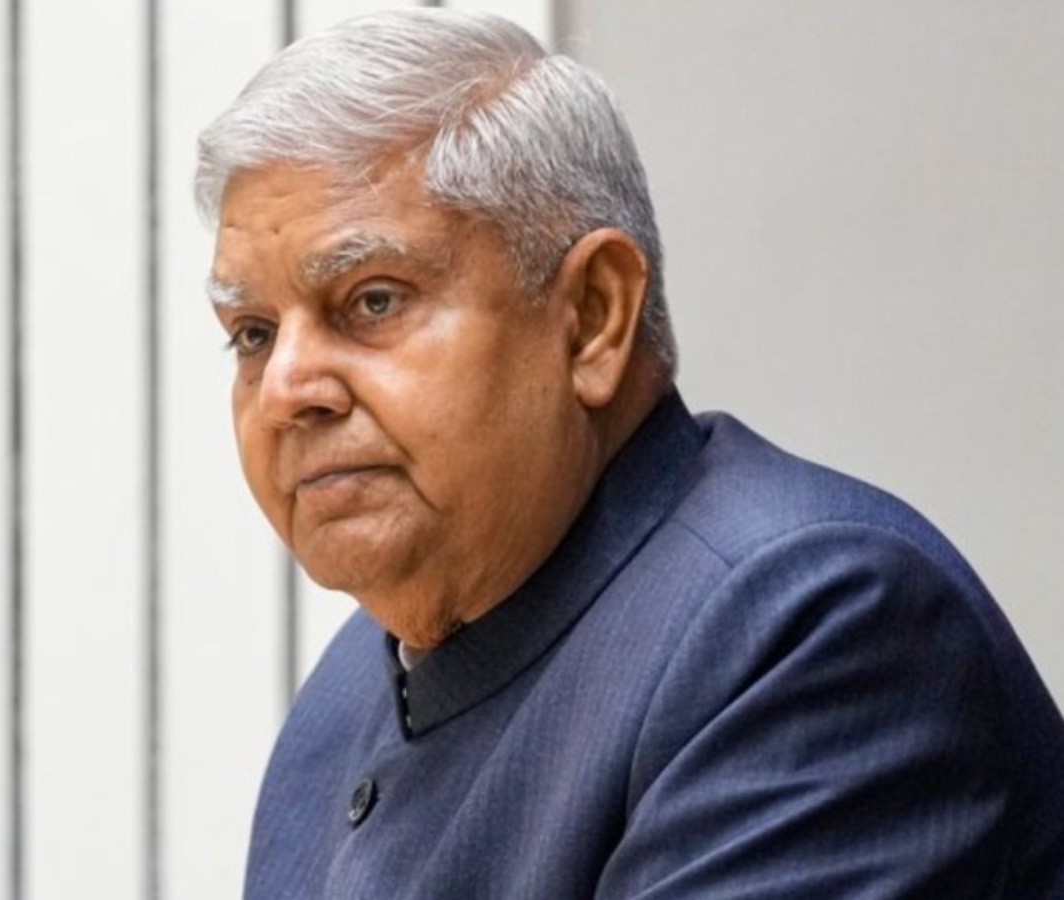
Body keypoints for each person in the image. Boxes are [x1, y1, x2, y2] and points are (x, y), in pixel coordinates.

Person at [195, 9, 1064, 899]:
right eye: (253, 333)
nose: (287, 388)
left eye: (372, 301)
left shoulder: (806, 626)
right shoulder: (348, 692)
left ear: (592, 317)